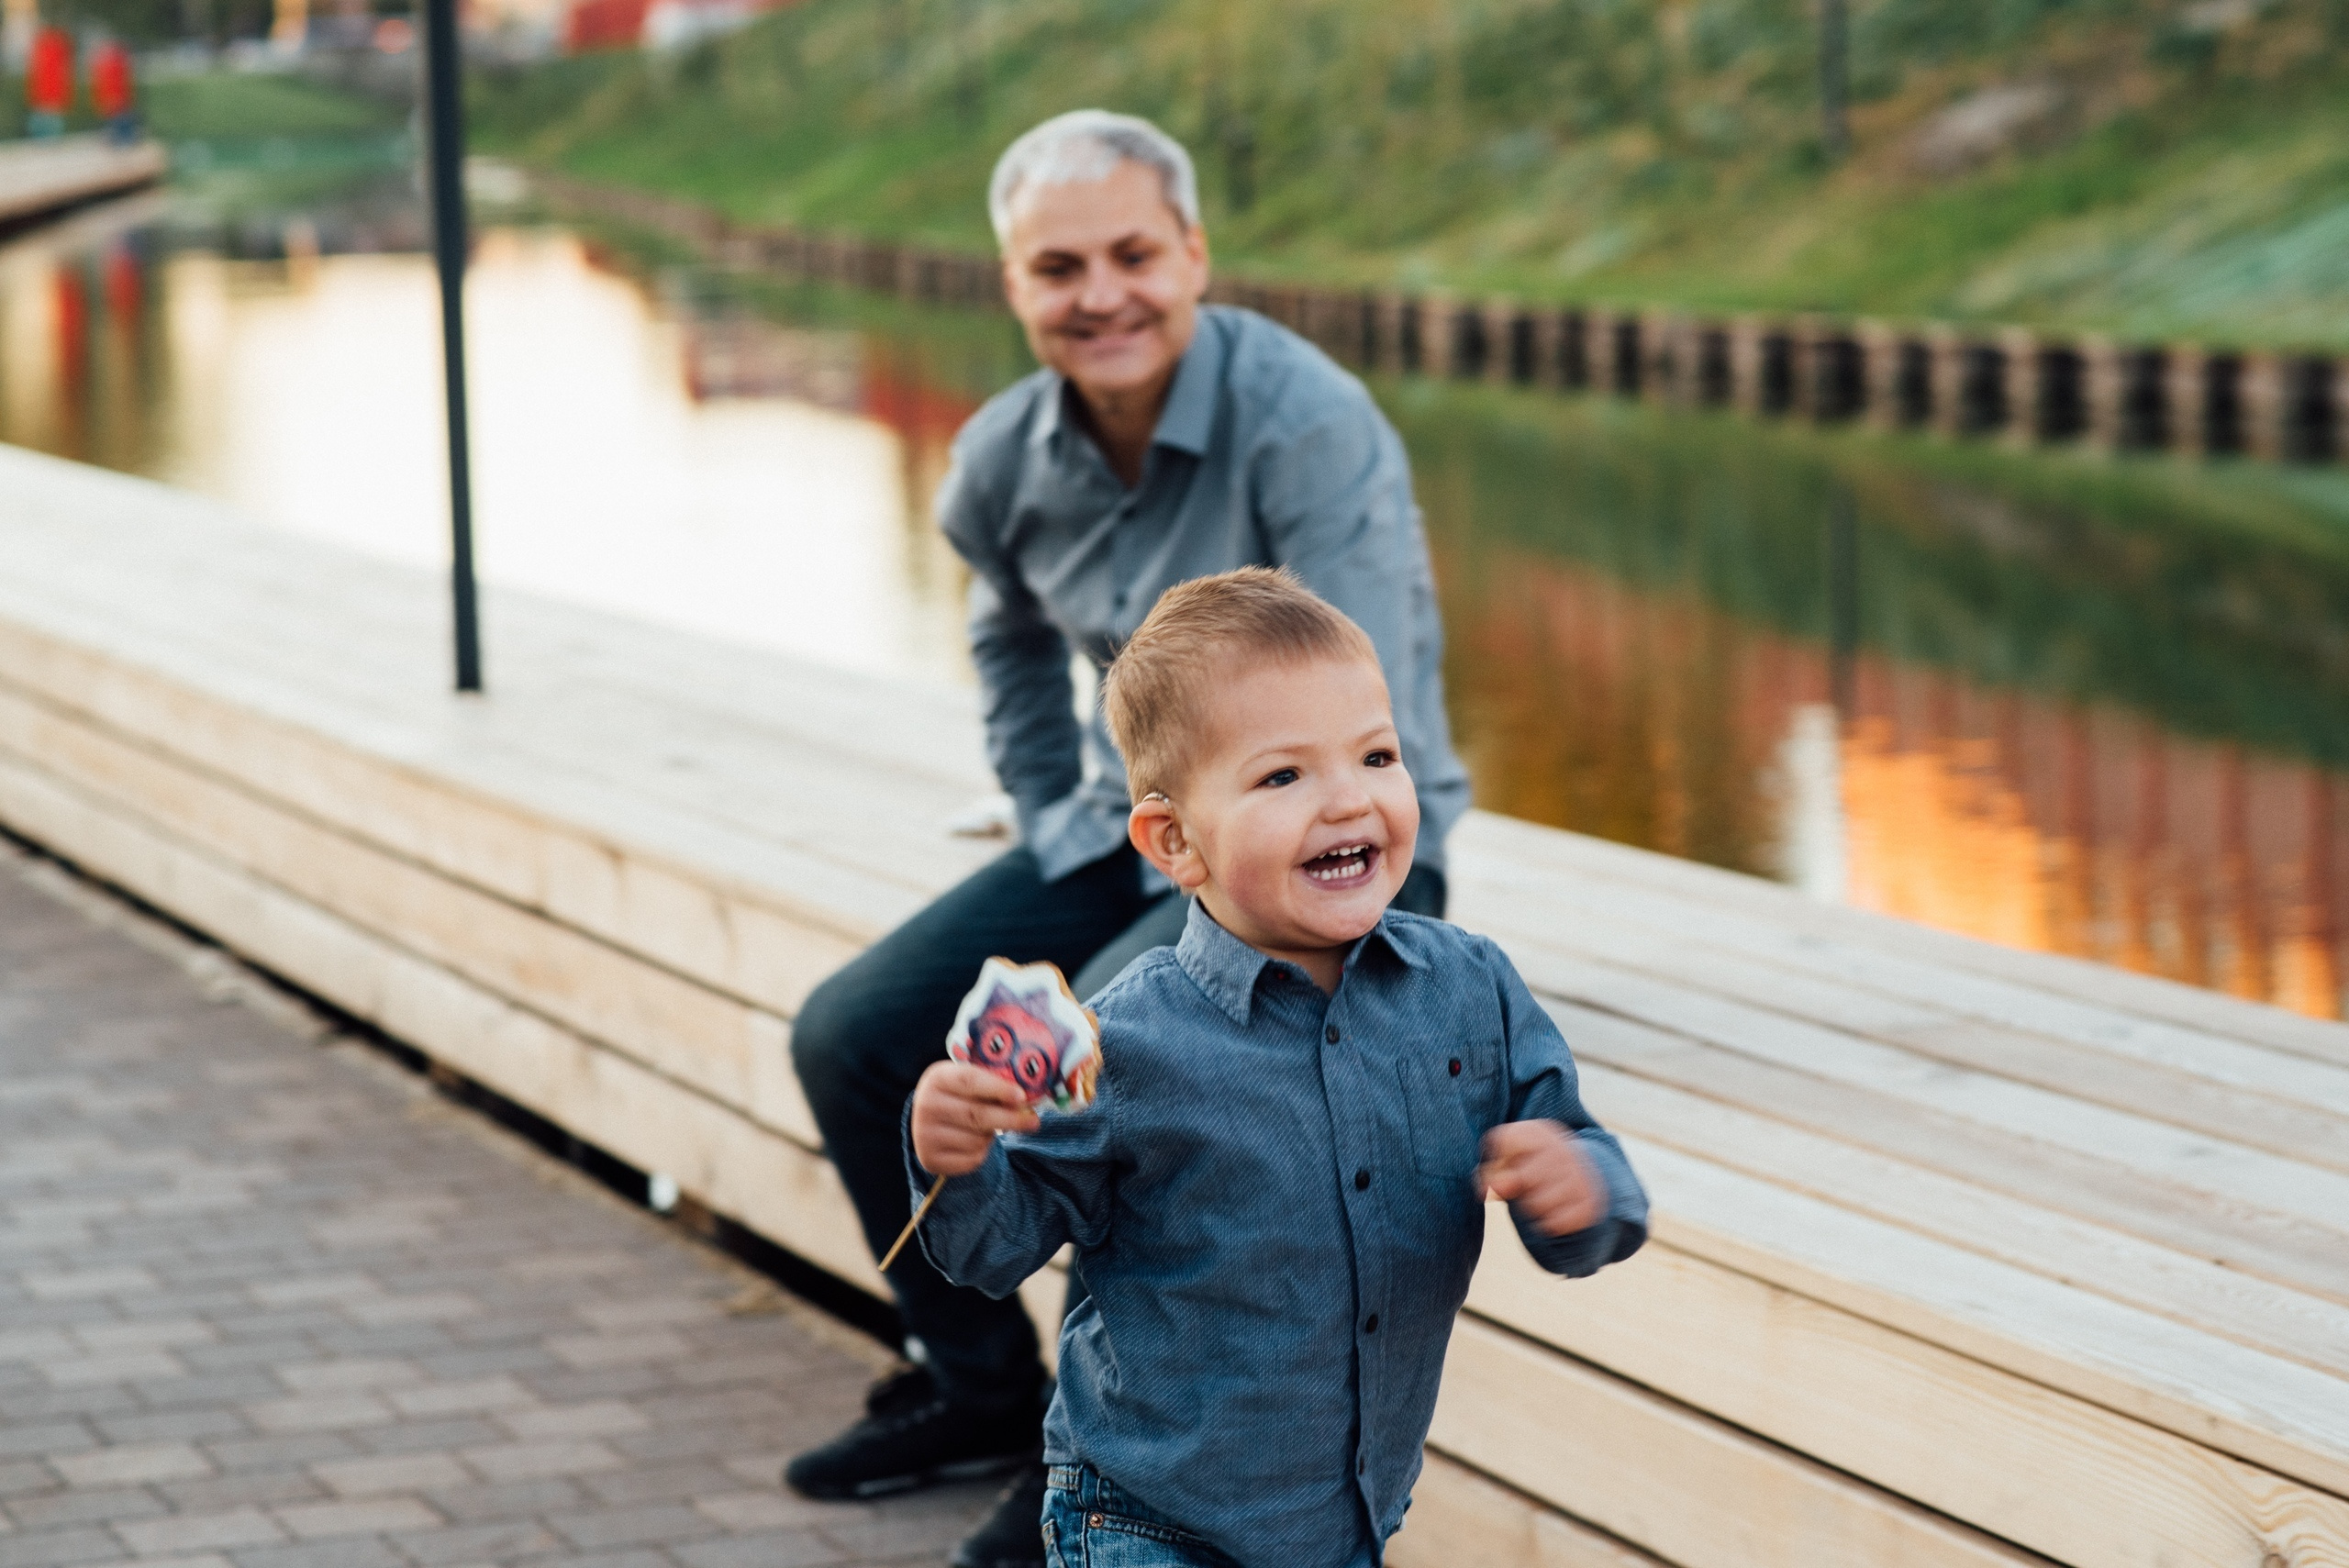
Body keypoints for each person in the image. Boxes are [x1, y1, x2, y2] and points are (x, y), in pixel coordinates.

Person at [782, 109, 1473, 1568]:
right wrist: (1053, 810)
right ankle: (980, 1387)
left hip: (1327, 852)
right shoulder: (1002, 452)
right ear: (1013, 283)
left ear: (1195, 255)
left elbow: (1352, 721)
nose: (1102, 294)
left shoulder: (1309, 424)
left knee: (1110, 1055)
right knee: (852, 1033)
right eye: (1058, 267)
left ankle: (1103, 1472)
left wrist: (1254, 865)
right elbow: (1005, 637)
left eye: (1134, 255)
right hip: (1133, 828)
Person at [907, 569, 1649, 1566]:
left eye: (1376, 756)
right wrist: (955, 1160)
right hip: (1145, 1516)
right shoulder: (1126, 1042)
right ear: (1176, 840)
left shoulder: (1472, 991)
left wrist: (1580, 1182)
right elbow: (989, 1249)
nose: (1348, 798)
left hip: (1344, 1519)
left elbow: (1591, 1201)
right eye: (1282, 776)